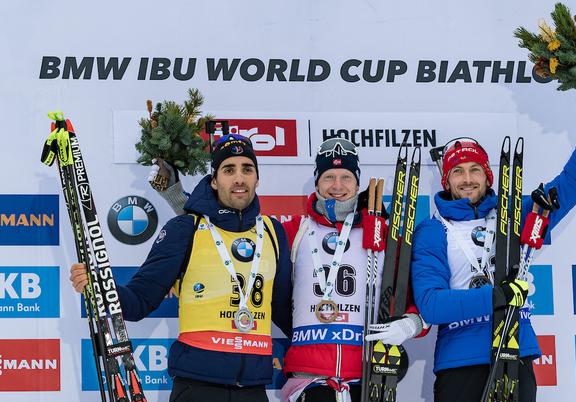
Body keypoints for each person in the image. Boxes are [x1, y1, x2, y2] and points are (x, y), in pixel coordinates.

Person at [148, 137, 428, 402]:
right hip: (309, 379)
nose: (337, 185)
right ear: (317, 183)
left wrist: (411, 324)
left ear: (357, 184)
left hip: (369, 376)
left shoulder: (382, 234)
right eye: (329, 176)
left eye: (346, 178)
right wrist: (177, 198)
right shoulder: (293, 231)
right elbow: (231, 229)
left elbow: (417, 298)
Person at [410, 76, 576, 402]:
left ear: (487, 176)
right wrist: (497, 296)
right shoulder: (433, 231)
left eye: (475, 170)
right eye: (458, 172)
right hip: (459, 362)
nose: (467, 179)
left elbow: (572, 181)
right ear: (446, 180)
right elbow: (432, 305)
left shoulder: (512, 216)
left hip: (515, 353)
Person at [70, 134, 293, 402]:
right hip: (197, 388)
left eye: (247, 169)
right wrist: (99, 285)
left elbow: (286, 311)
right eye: (229, 170)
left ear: (257, 178)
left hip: (254, 390)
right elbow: (140, 300)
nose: (239, 179)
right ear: (214, 180)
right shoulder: (186, 229)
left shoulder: (272, 232)